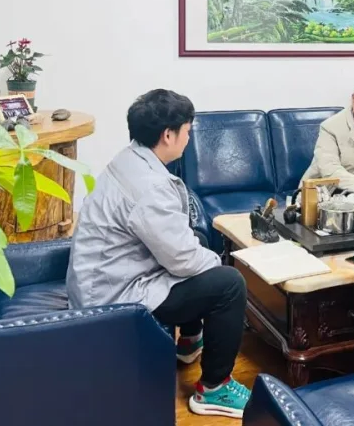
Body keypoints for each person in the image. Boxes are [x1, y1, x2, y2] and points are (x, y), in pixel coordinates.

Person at [66, 89, 251, 418]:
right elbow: (183, 260)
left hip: (107, 276)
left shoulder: (130, 158)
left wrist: (201, 253)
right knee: (230, 283)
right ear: (168, 135)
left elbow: (177, 245)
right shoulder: (149, 186)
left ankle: (190, 341)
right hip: (113, 298)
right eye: (187, 131)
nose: (189, 138)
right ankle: (214, 389)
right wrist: (219, 263)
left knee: (197, 240)